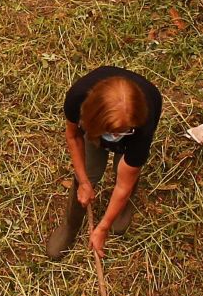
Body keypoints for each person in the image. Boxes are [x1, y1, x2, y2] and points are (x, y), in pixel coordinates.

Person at [48, 66, 162, 260]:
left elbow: (123, 184)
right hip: (95, 129)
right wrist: (84, 183)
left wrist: (103, 227)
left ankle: (122, 208)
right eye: (111, 132)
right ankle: (71, 224)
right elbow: (73, 137)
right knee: (90, 169)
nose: (115, 137)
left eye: (121, 132)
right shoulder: (77, 99)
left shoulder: (142, 126)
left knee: (124, 171)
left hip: (132, 132)